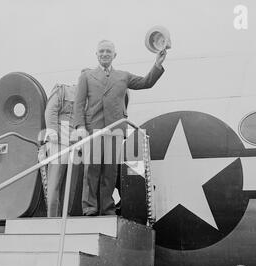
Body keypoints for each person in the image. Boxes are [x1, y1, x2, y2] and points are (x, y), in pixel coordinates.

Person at [73, 39, 166, 216]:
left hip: (115, 129)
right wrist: (79, 126)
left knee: (110, 171)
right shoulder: (86, 76)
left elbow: (146, 82)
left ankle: (106, 208)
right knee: (91, 169)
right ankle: (90, 207)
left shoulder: (123, 76)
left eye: (108, 51)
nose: (105, 54)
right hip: (94, 129)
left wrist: (157, 64)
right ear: (96, 55)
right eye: (101, 51)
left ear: (114, 55)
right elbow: (78, 104)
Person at [44, 83, 77, 217]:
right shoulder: (62, 90)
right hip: (59, 141)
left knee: (71, 183)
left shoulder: (89, 97)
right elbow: (50, 110)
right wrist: (52, 132)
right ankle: (53, 217)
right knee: (55, 181)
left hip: (77, 142)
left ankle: (65, 216)